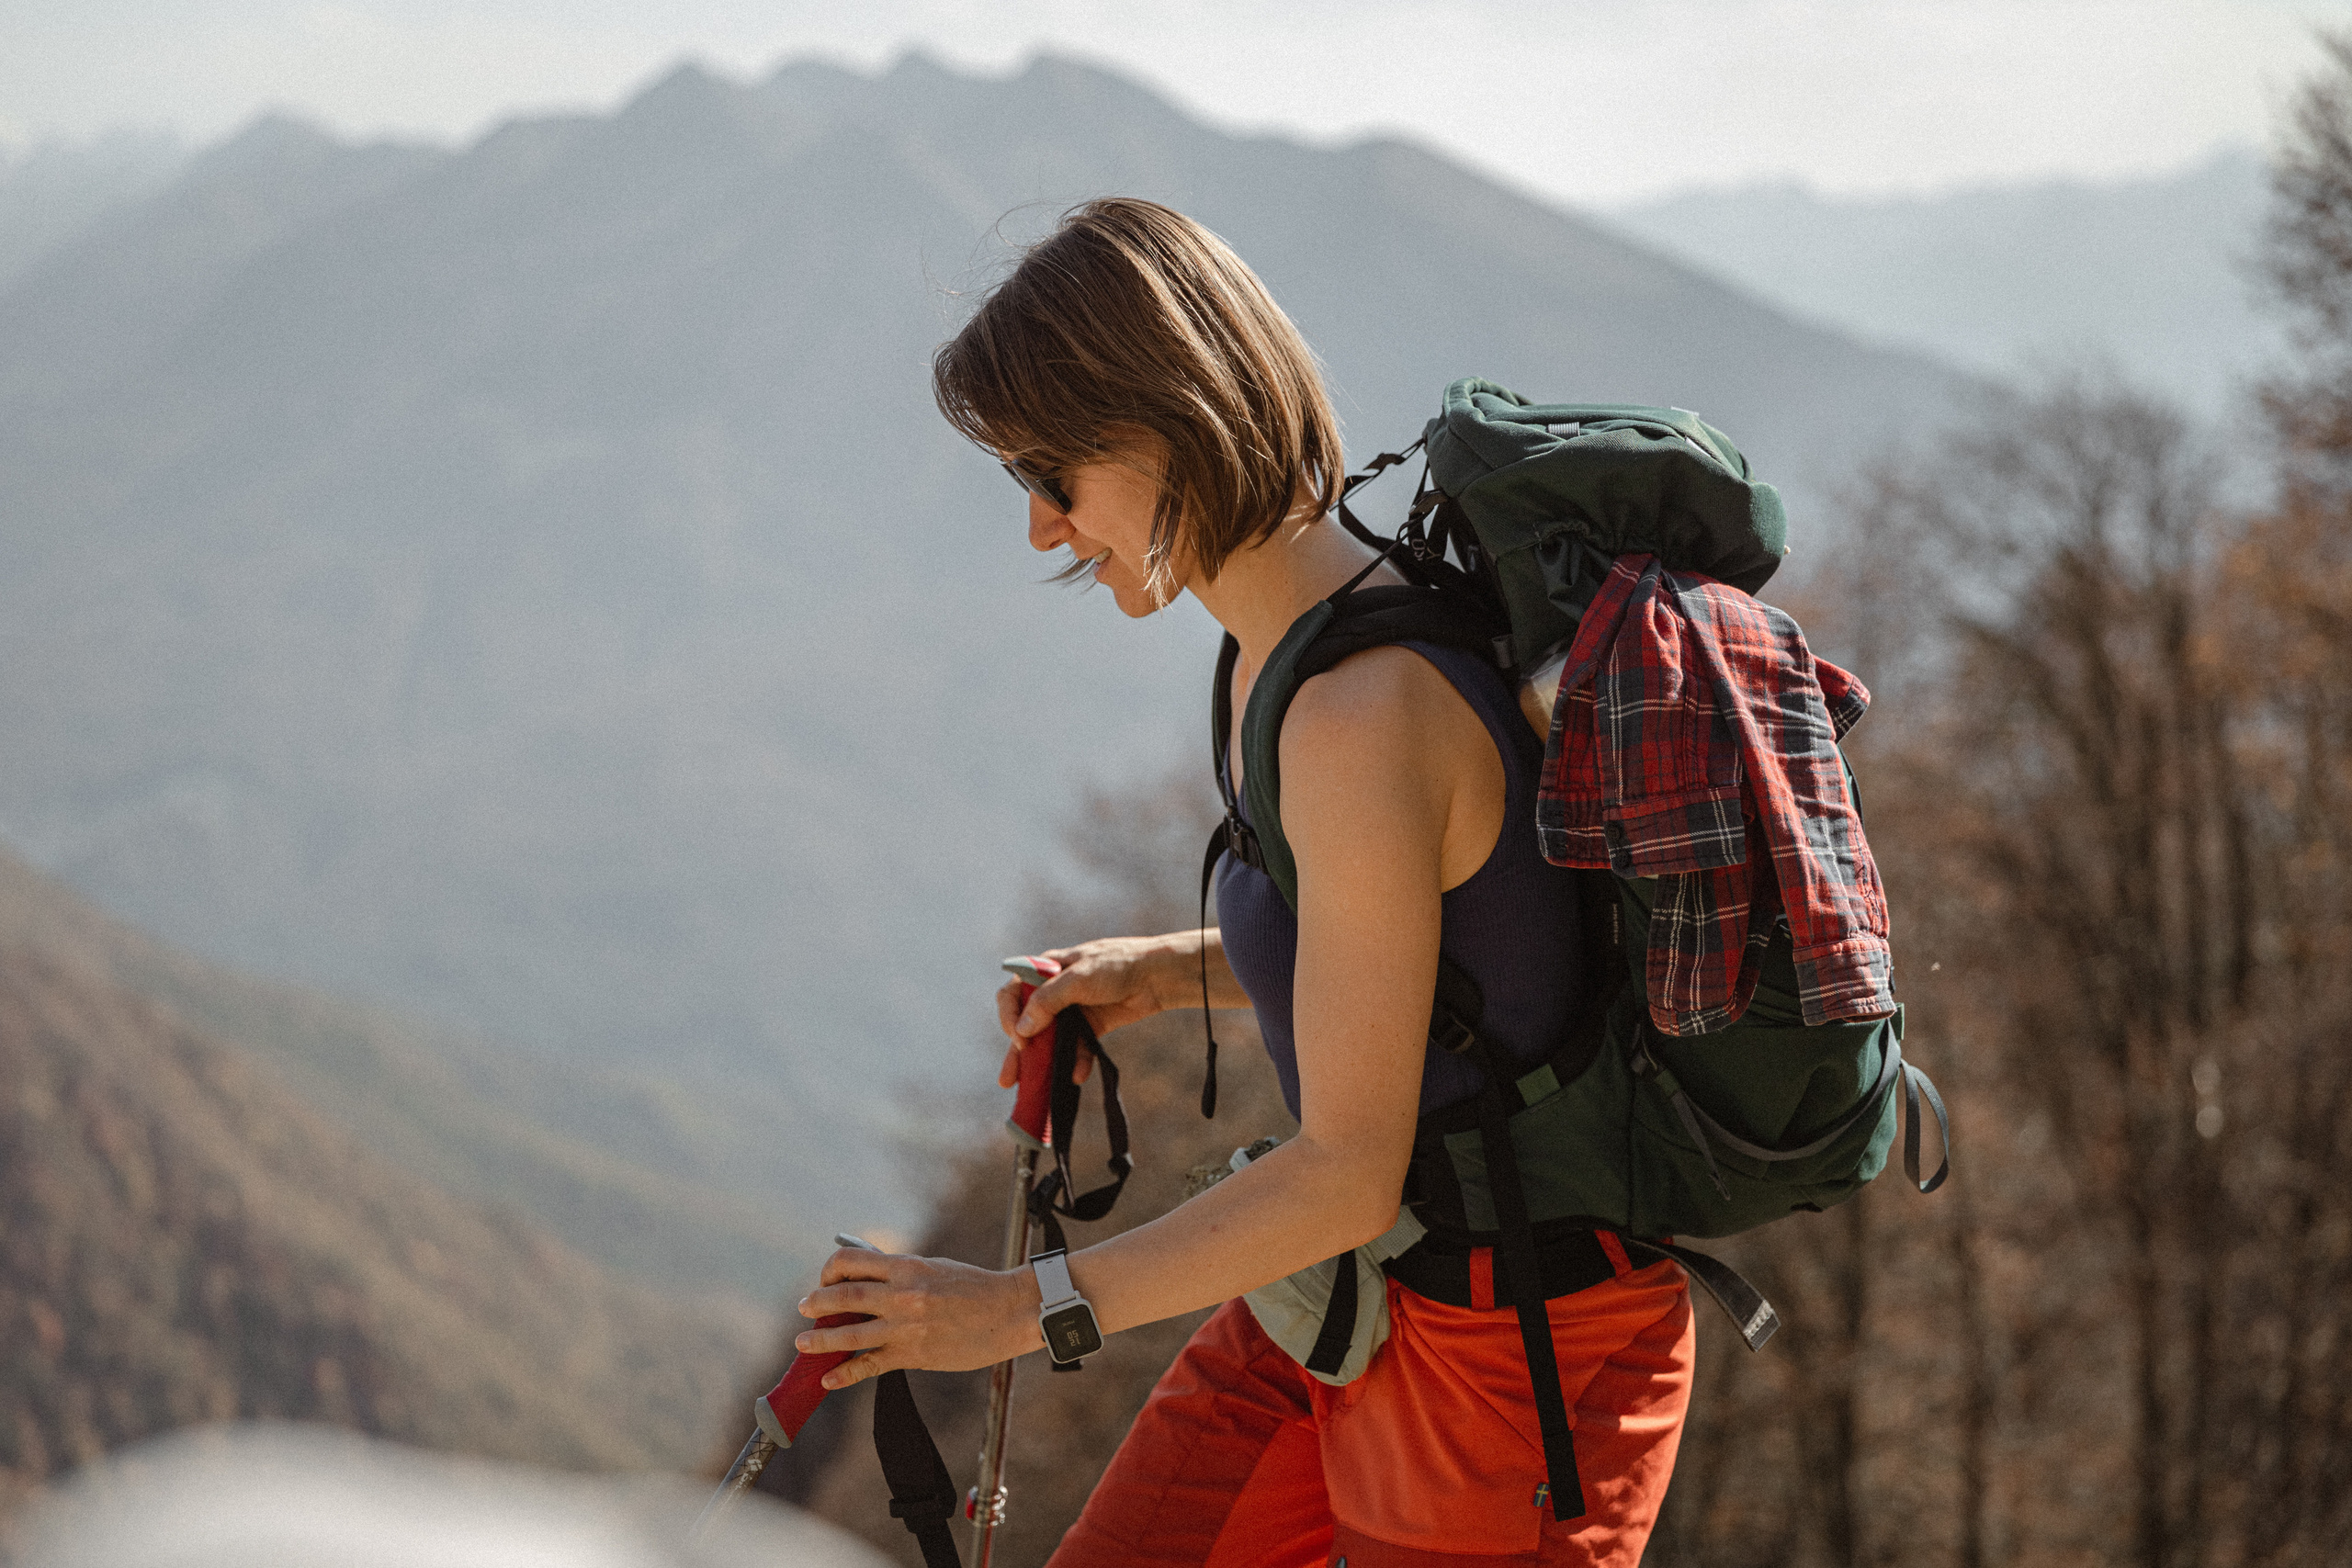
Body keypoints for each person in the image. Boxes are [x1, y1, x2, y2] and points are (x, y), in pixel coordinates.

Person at [793, 197, 1694, 1567]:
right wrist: (1161, 971)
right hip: (1372, 1287)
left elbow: (1341, 1170)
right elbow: (1424, 949)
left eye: (1056, 474)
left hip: (1516, 1365)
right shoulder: (1290, 654)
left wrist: (1006, 1310)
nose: (1041, 529)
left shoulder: (1357, 713)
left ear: (1164, 425)